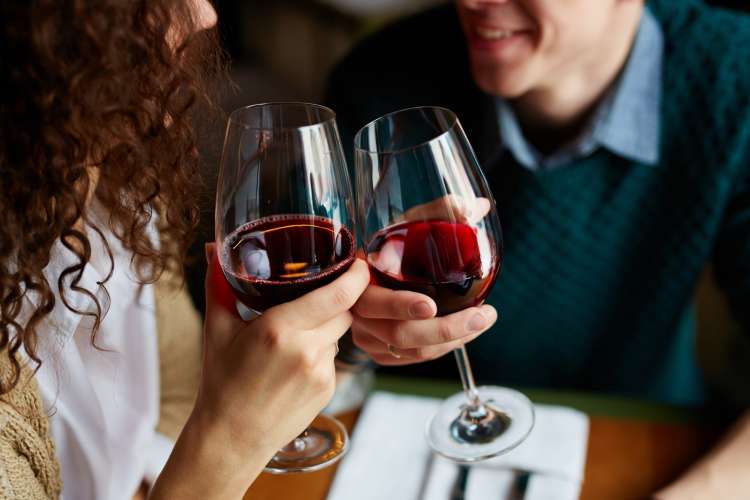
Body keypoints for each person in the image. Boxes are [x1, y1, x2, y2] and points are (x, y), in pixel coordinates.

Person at [325, 0, 750, 496]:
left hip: (647, 431)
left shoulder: (732, 76)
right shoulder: (378, 77)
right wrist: (353, 335)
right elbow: (328, 354)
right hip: (422, 432)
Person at [0, 1, 369, 499]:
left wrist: (349, 338)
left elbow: (174, 392)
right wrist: (227, 444)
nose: (204, 15)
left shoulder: (106, 183)